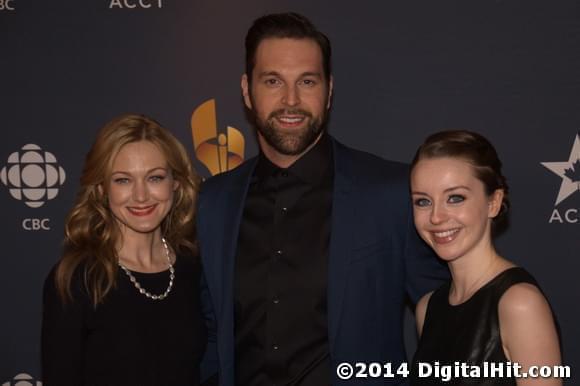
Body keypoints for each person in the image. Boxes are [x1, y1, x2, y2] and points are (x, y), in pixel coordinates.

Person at [197, 12, 448, 385]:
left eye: (307, 81)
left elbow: (449, 317)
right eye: (273, 81)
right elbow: (211, 332)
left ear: (329, 91)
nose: (291, 100)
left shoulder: (391, 192)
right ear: (247, 91)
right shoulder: (214, 201)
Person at [41, 114, 206, 386]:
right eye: (123, 180)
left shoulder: (194, 268)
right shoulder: (77, 279)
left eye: (154, 178)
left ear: (175, 183)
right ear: (102, 189)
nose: (141, 196)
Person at [410, 130, 562, 385]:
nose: (436, 216)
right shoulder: (428, 308)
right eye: (423, 202)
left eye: (455, 198)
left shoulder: (519, 304)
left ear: (493, 202)